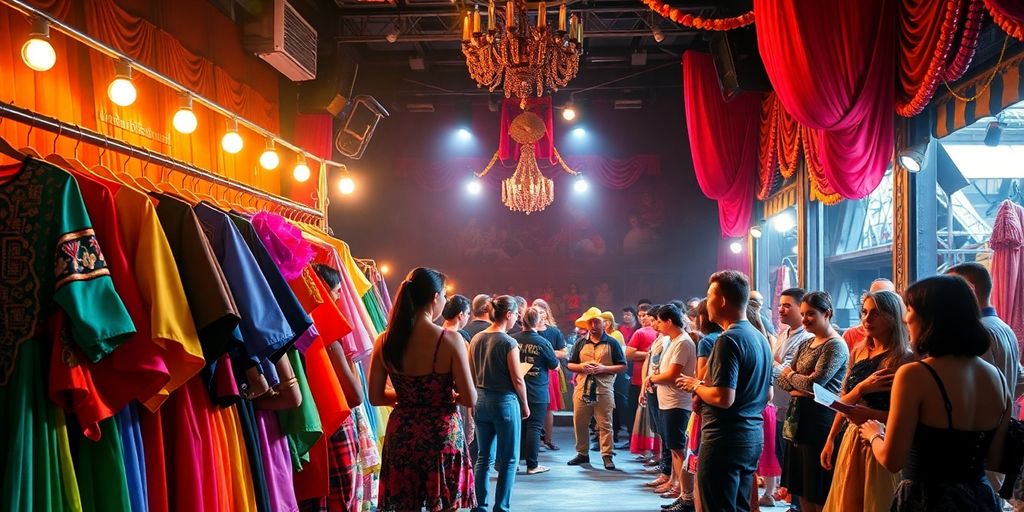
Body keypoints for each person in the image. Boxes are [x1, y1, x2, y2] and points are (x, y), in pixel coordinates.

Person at [858, 275, 1011, 512]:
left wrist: (874, 434)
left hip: (927, 498)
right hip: (980, 498)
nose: (905, 318)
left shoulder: (914, 375)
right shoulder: (997, 378)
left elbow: (892, 459)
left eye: (909, 309)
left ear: (931, 318)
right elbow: (994, 459)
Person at [369, 268, 477, 511]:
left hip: (402, 435)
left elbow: (375, 397)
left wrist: (411, 396)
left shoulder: (384, 341)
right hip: (441, 434)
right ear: (434, 298)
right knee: (445, 504)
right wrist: (439, 395)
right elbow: (470, 397)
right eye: (445, 296)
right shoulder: (450, 340)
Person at [676, 271, 772, 512]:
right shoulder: (760, 338)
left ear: (721, 301)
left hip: (724, 439)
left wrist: (696, 385)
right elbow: (767, 394)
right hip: (751, 436)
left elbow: (723, 397)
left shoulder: (728, 340)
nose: (704, 303)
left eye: (709, 296)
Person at [820, 291, 912, 512]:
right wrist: (831, 438)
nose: (867, 319)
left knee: (876, 501)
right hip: (852, 436)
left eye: (876, 313)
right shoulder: (859, 351)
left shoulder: (904, 358)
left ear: (892, 317)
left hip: (883, 438)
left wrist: (873, 416)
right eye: (864, 312)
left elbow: (909, 415)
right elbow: (842, 400)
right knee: (848, 500)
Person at [776, 292, 850, 512]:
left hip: (820, 421)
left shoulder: (835, 345)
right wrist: (795, 381)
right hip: (798, 420)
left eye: (811, 314)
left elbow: (813, 385)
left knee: (818, 487)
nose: (805, 319)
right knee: (801, 488)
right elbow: (781, 381)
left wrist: (791, 375)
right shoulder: (807, 342)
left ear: (826, 313)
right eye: (804, 314)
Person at [468, 296, 529, 512]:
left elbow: (471, 373)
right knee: (509, 459)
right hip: (504, 401)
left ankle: (479, 505)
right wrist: (525, 404)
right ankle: (501, 507)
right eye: (516, 315)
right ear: (509, 314)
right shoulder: (508, 342)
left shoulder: (476, 339)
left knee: (483, 457)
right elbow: (517, 378)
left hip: (480, 399)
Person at [649, 304, 698, 511]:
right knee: (673, 448)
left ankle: (684, 493)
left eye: (659, 321)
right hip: (667, 401)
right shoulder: (671, 340)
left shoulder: (683, 342)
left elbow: (672, 375)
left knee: (679, 450)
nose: (657, 325)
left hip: (678, 402)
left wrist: (652, 378)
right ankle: (678, 487)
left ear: (669, 321)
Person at [566, 307, 627, 470]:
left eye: (596, 322)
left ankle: (607, 455)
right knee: (579, 422)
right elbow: (570, 364)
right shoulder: (580, 342)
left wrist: (604, 368)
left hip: (604, 388)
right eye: (590, 322)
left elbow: (622, 366)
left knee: (605, 423)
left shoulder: (612, 342)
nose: (593, 325)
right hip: (582, 387)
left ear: (603, 324)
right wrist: (582, 366)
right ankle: (582, 453)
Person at [772, 287, 815, 509]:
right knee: (784, 458)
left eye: (788, 305)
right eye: (780, 305)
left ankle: (796, 505)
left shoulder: (806, 339)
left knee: (796, 464)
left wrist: (776, 365)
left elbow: (789, 375)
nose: (781, 309)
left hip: (796, 408)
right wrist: (781, 367)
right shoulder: (783, 334)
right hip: (780, 406)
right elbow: (782, 371)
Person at [512, 307, 560, 475]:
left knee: (517, 427)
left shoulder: (512, 340)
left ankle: (514, 463)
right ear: (537, 321)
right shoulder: (542, 342)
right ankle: (532, 465)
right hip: (538, 390)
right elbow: (555, 365)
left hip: (516, 390)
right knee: (534, 427)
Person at [747, 305, 782, 508]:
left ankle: (768, 493)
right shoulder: (765, 342)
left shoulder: (757, 343)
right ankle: (766, 493)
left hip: (761, 406)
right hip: (765, 404)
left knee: (765, 452)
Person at [532, 298, 567, 451]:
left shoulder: (554, 331)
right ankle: (534, 439)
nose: (540, 314)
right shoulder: (528, 331)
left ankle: (548, 438)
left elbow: (564, 352)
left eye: (542, 311)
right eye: (536, 311)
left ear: (547, 313)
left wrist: (547, 353)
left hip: (550, 372)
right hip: (531, 372)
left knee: (548, 407)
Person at [629, 304, 661, 460]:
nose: (643, 318)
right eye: (640, 315)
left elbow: (630, 353)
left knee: (652, 418)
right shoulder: (641, 333)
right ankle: (652, 452)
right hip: (643, 380)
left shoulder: (662, 337)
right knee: (648, 417)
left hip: (654, 382)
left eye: (647, 316)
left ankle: (656, 453)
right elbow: (630, 354)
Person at [841, 279, 896, 351]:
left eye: (886, 296)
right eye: (865, 312)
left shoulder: (906, 337)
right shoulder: (851, 335)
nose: (877, 299)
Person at [602, 310, 630, 447]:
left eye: (606, 320)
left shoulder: (616, 334)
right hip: (604, 374)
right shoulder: (600, 335)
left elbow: (620, 354)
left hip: (616, 374)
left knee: (617, 403)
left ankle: (617, 432)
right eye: (603, 320)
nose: (604, 323)